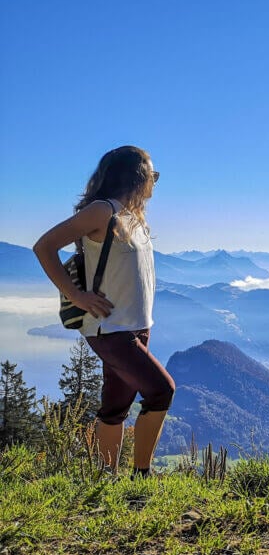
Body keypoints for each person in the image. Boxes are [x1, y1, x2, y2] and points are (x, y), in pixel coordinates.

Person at [34, 146, 175, 477]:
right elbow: (44, 246)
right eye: (153, 175)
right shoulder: (103, 211)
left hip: (136, 326)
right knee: (161, 390)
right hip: (109, 329)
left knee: (116, 406)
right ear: (137, 176)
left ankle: (106, 477)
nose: (155, 182)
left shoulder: (134, 218)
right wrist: (77, 296)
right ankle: (142, 475)